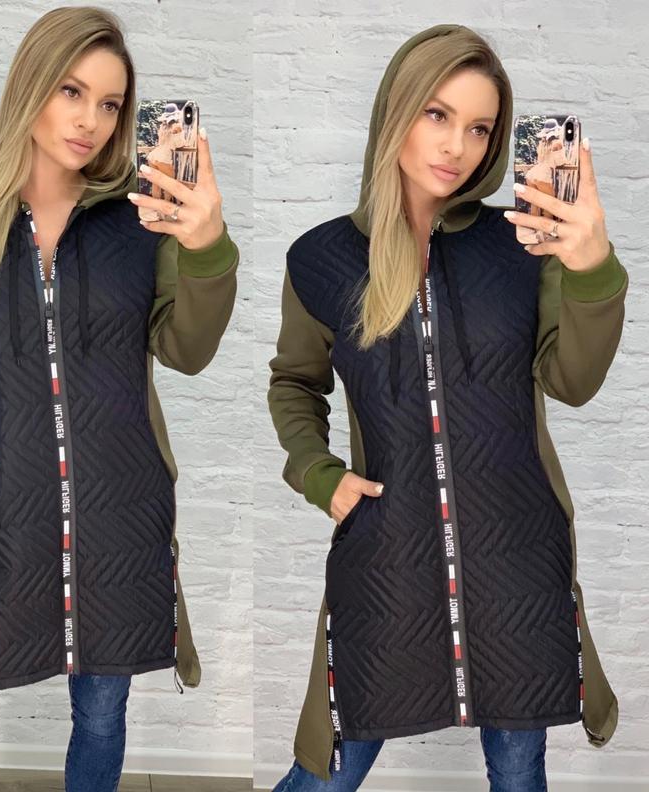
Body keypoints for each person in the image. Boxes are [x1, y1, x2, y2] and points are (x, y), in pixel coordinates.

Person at [0, 7, 239, 791]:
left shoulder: (142, 224)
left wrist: (206, 247)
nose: (90, 121)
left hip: (123, 519)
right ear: (30, 86)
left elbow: (187, 350)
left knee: (101, 716)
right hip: (2, 512)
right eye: (72, 91)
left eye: (110, 104)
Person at [267, 23, 627, 792]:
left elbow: (572, 380)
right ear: (396, 108)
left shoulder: (522, 246)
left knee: (518, 774)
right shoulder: (323, 259)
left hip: (519, 564)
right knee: (330, 772)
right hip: (386, 563)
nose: (456, 146)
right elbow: (295, 382)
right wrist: (318, 473)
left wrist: (591, 265)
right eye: (437, 114)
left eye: (479, 128)